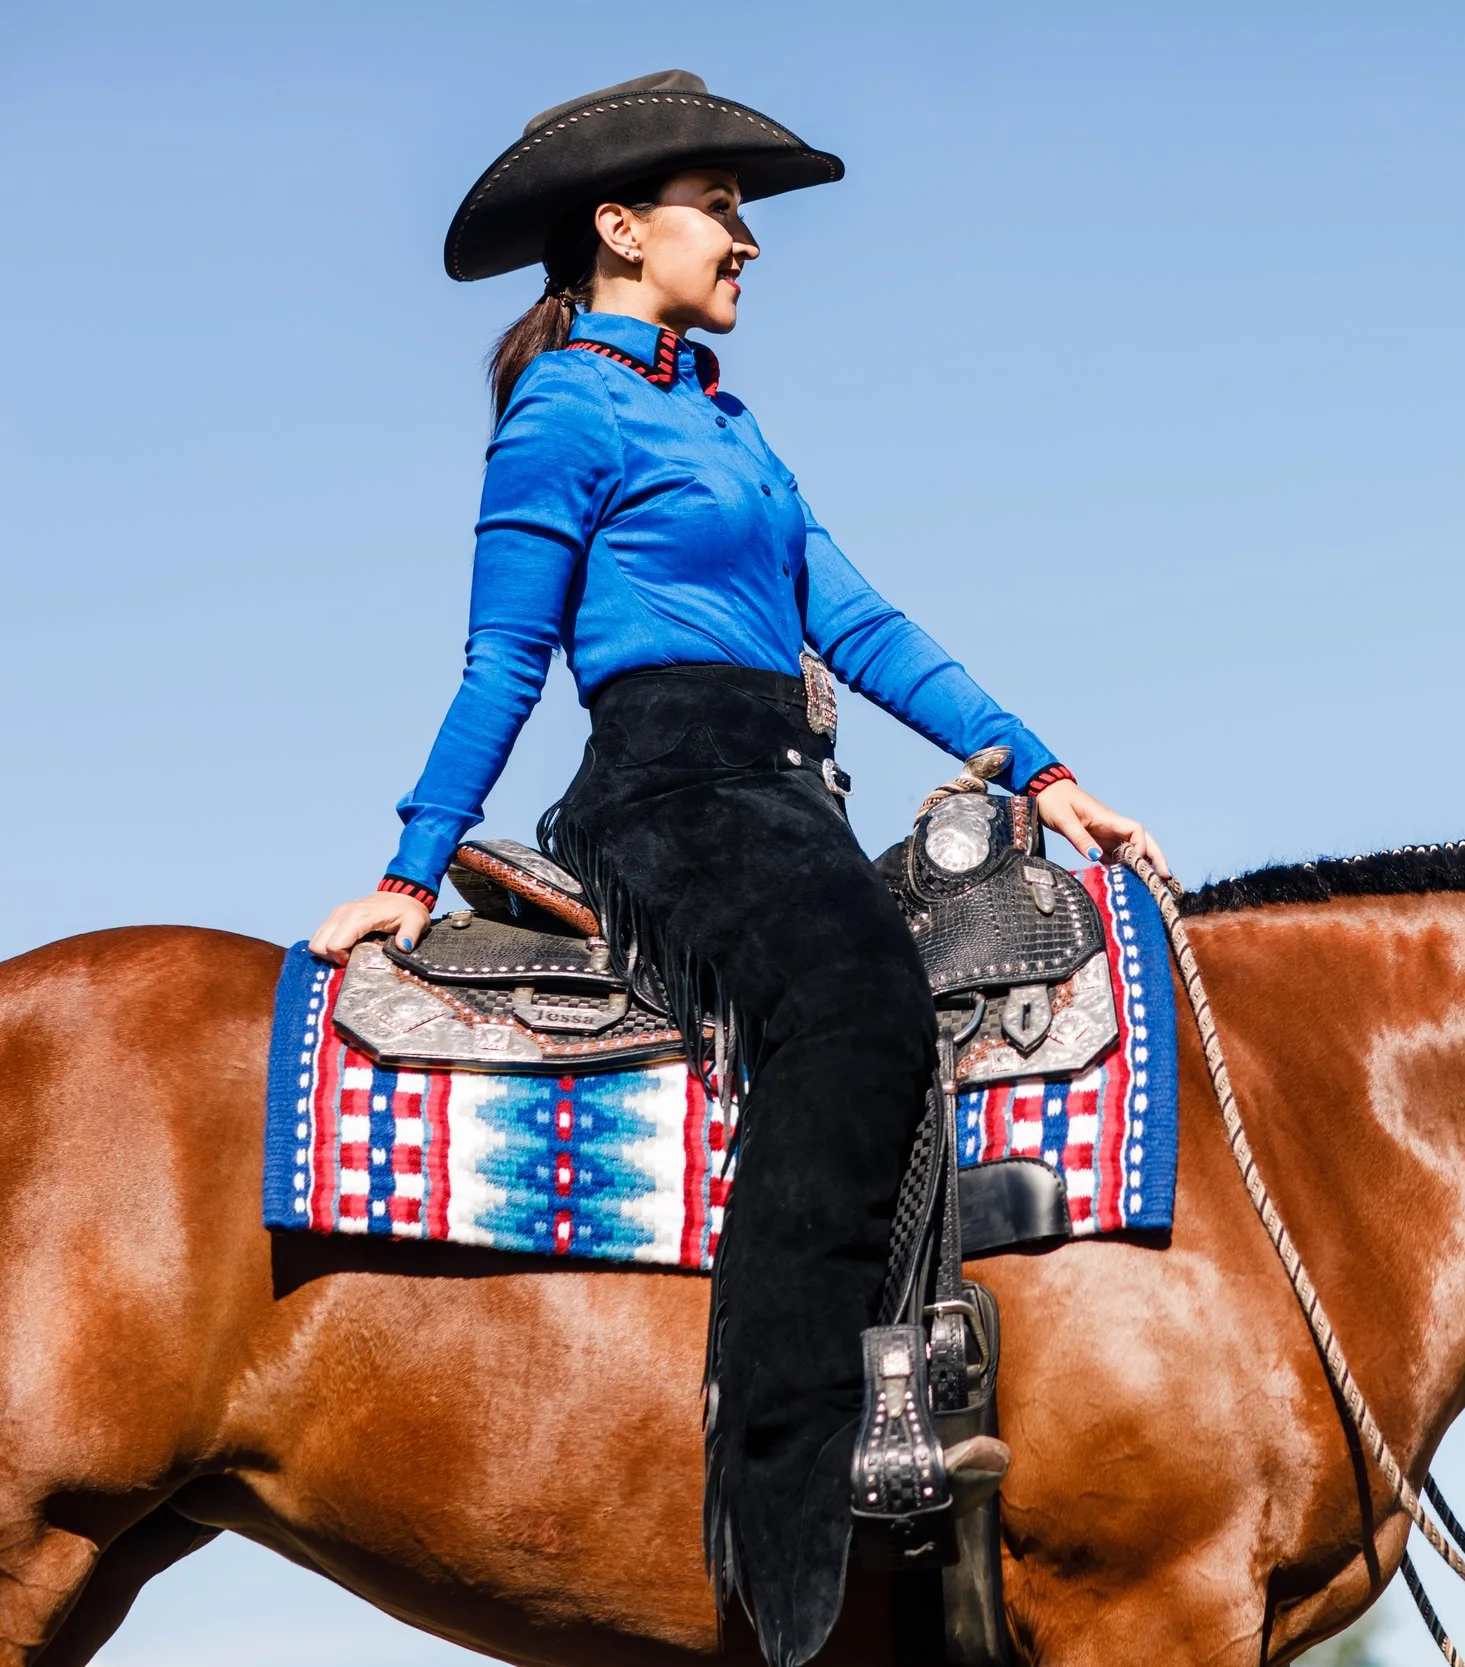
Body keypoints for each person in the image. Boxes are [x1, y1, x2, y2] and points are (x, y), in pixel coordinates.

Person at [307, 70, 1165, 1667]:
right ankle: (796, 1478)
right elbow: (504, 657)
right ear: (623, 230)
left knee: (936, 970)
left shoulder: (722, 415)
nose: (750, 238)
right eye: (722, 206)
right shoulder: (568, 407)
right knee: (852, 1011)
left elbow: (859, 618)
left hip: (788, 789)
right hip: (667, 792)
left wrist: (1048, 769)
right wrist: (414, 869)